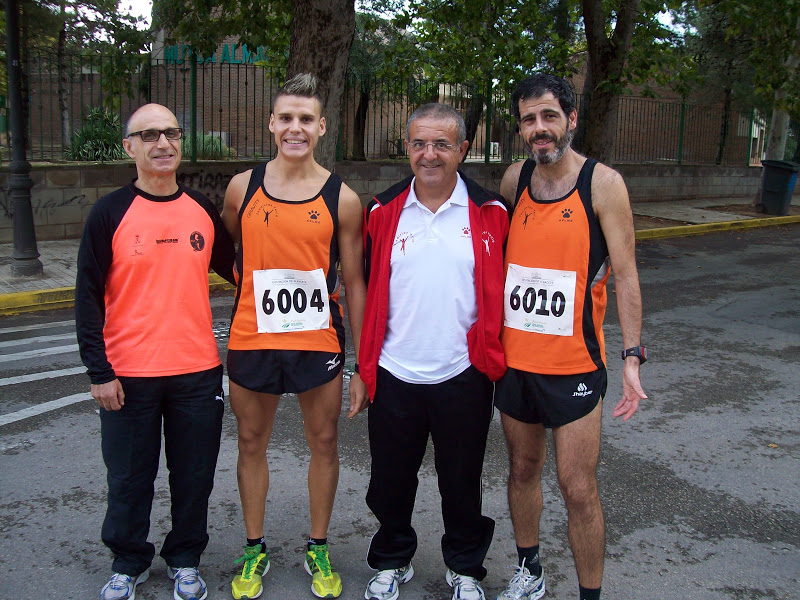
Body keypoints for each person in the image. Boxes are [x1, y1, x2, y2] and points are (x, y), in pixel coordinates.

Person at [493, 73, 647, 600]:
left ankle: (589, 595)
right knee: (522, 469)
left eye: (549, 116)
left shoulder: (603, 185)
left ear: (571, 119)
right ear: (520, 127)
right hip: (516, 362)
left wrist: (632, 356)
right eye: (529, 119)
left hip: (574, 365)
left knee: (577, 488)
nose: (539, 128)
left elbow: (626, 274)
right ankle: (529, 571)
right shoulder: (515, 180)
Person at [75, 103, 236, 600]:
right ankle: (128, 561)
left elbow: (240, 272)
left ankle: (185, 558)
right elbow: (86, 297)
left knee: (194, 478)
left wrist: (310, 279)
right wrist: (99, 372)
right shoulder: (109, 213)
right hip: (128, 375)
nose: (163, 143)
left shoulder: (202, 209)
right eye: (149, 135)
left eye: (171, 133)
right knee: (128, 478)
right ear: (129, 147)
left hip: (197, 373)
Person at [222, 73, 367, 600]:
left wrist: (361, 365)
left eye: (306, 119)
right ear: (271, 123)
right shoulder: (242, 187)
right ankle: (254, 547)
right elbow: (229, 247)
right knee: (250, 441)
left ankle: (318, 545)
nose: (295, 128)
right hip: (252, 337)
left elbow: (354, 281)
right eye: (286, 117)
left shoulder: (342, 198)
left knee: (324, 441)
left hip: (317, 341)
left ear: (322, 127)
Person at [356, 103, 510, 600]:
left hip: (463, 372)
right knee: (390, 480)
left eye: (442, 144)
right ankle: (392, 558)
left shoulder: (491, 213)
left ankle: (464, 566)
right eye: (420, 143)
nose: (430, 154)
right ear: (407, 148)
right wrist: (362, 366)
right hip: (394, 370)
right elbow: (363, 289)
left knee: (461, 480)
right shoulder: (381, 212)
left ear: (462, 150)